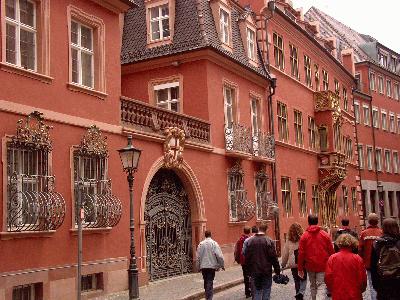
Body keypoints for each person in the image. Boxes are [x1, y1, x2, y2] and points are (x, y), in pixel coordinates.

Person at [298, 214, 334, 300]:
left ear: (308, 222)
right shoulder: (325, 235)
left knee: (313, 286)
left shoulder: (304, 236)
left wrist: (300, 268)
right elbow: (331, 251)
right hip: (322, 265)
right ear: (317, 222)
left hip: (310, 266)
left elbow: (301, 253)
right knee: (321, 285)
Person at [325, 234, 367, 300]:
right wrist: (361, 289)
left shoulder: (332, 258)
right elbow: (362, 277)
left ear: (339, 244)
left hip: (338, 293)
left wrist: (332, 289)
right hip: (354, 293)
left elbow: (328, 277)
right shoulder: (357, 258)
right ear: (352, 244)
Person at [245, 223, 280, 300]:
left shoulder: (250, 241)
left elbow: (247, 258)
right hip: (266, 271)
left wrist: (248, 272)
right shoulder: (269, 241)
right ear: (266, 230)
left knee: (257, 292)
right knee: (266, 291)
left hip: (255, 271)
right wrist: (277, 271)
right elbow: (274, 258)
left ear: (258, 229)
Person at [370, 218, 400, 300]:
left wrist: (376, 285)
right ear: (397, 227)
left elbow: (373, 266)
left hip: (383, 280)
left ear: (383, 228)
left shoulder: (377, 244)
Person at [358, 213, 383, 300]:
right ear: (377, 221)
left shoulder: (364, 233)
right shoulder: (381, 232)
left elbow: (360, 249)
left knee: (372, 284)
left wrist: (361, 261)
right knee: (381, 283)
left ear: (368, 222)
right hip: (381, 263)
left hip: (368, 264)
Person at [196, 230, 225, 300]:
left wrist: (198, 266)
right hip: (211, 266)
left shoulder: (200, 244)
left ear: (204, 235)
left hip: (203, 266)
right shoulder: (214, 243)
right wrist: (222, 265)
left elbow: (198, 257)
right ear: (211, 235)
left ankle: (207, 296)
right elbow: (219, 255)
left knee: (206, 281)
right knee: (210, 281)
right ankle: (209, 297)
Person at [281, 223, 307, 300]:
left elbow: (285, 253)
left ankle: (298, 294)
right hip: (302, 262)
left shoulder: (289, 240)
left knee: (296, 280)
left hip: (292, 263)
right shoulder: (303, 238)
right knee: (303, 278)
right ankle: (301, 292)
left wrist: (283, 263)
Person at [234, 226, 252, 298]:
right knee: (251, 276)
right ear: (249, 232)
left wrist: (238, 259)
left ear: (243, 231)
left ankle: (247, 292)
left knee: (245, 276)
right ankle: (251, 290)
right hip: (249, 261)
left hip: (243, 261)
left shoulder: (240, 240)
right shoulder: (250, 240)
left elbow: (237, 250)